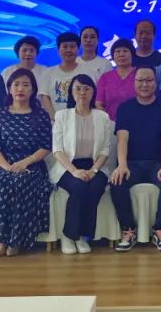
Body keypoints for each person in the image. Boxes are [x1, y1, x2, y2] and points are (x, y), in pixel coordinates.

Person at [0, 68, 55, 257]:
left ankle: (16, 240)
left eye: (26, 85)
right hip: (4, 165)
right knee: (2, 182)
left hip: (32, 165)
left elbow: (45, 146)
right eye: (16, 84)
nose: (20, 89)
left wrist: (25, 163)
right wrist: (8, 167)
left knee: (21, 182)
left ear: (33, 90)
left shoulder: (41, 115)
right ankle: (3, 239)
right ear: (9, 88)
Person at [109, 66, 161, 252]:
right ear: (134, 83)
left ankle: (160, 230)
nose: (145, 84)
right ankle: (128, 231)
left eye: (149, 80)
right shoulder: (125, 108)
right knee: (117, 181)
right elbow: (122, 139)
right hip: (131, 163)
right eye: (140, 80)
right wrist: (121, 165)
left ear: (156, 82)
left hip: (157, 163)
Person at [50, 74, 113, 255]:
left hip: (94, 164)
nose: (82, 92)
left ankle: (83, 236)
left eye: (86, 88)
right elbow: (57, 150)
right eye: (78, 88)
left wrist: (93, 170)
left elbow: (105, 150)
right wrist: (74, 171)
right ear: (71, 92)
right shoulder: (62, 115)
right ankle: (69, 235)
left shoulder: (102, 117)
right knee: (78, 186)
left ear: (93, 92)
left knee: (95, 186)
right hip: (67, 166)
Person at [41, 32, 89, 120]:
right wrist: (55, 119)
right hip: (55, 122)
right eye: (65, 46)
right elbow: (44, 97)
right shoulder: (48, 72)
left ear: (78, 49)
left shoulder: (87, 72)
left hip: (81, 120)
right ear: (58, 50)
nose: (68, 50)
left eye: (72, 46)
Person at [96, 38, 137, 122]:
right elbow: (99, 104)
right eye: (117, 51)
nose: (121, 54)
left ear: (132, 54)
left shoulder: (140, 74)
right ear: (113, 56)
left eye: (125, 51)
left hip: (137, 123)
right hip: (110, 125)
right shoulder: (105, 77)